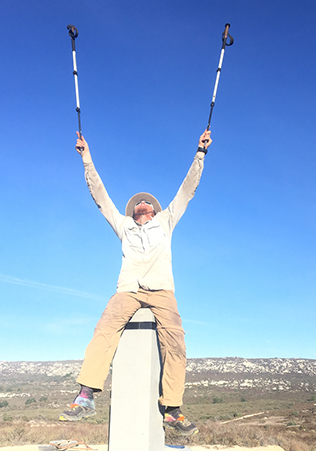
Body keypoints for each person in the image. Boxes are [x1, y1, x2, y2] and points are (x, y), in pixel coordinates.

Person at [59, 129, 212, 435]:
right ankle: (86, 394)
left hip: (162, 291)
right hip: (128, 290)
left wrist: (200, 153)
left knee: (176, 342)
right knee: (104, 329)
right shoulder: (124, 227)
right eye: (138, 203)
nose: (142, 203)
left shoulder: (166, 222)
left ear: (154, 211)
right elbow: (100, 197)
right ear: (133, 212)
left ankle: (172, 409)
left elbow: (187, 190)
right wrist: (86, 159)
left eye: (147, 203)